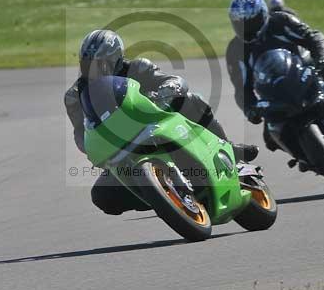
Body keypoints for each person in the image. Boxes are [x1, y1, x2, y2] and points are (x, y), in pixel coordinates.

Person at [65, 29, 259, 215]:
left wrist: (164, 92)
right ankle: (162, 195)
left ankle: (229, 151)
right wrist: (91, 149)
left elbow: (174, 81)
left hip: (156, 123)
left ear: (116, 58)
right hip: (121, 148)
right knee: (102, 197)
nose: (94, 70)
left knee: (190, 99)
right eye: (87, 64)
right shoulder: (75, 96)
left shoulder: (138, 67)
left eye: (100, 64)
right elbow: (80, 133)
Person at [225, 0, 324, 152]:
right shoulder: (235, 51)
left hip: (304, 71)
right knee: (271, 140)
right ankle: (307, 156)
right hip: (272, 94)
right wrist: (250, 109)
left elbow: (313, 37)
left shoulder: (280, 21)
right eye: (240, 24)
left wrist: (323, 59)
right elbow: (241, 89)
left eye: (251, 22)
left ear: (263, 15)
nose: (247, 29)